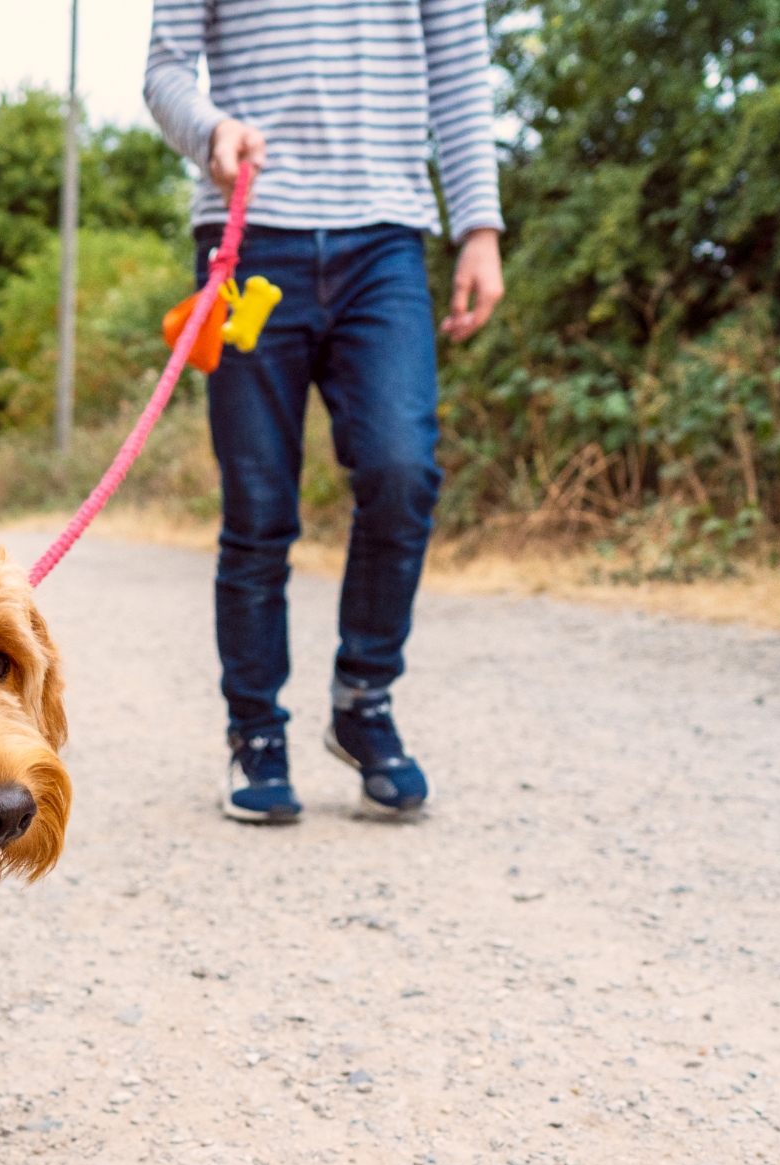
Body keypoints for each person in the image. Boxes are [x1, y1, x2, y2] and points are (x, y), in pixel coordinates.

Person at [144, 0, 504, 824]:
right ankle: (255, 734)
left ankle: (363, 700)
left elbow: (457, 72)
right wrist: (210, 132)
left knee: (400, 467)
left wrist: (478, 228)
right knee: (259, 503)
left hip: (382, 237)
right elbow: (163, 71)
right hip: (250, 231)